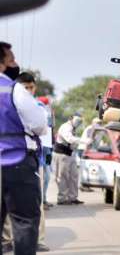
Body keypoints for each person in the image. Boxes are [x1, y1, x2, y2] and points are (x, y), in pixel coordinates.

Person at [0, 42, 48, 255]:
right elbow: (39, 124)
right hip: (16, 163)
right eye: (11, 60)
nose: (15, 64)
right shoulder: (14, 89)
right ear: (1, 64)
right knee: (24, 222)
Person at [15, 72, 51, 252]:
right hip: (13, 157)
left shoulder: (39, 107)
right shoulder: (12, 102)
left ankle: (38, 239)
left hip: (36, 158)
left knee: (36, 203)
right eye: (25, 88)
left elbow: (44, 134)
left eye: (31, 87)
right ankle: (8, 240)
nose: (29, 90)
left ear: (35, 87)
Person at [53, 114, 84, 205]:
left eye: (80, 121)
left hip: (70, 154)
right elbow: (69, 139)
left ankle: (72, 197)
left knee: (74, 175)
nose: (78, 123)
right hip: (62, 154)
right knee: (63, 177)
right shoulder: (66, 127)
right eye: (77, 120)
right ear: (70, 119)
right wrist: (82, 140)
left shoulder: (73, 128)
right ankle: (62, 198)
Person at [77, 118, 100, 192]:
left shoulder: (93, 129)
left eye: (99, 123)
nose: (99, 124)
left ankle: (84, 185)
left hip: (85, 149)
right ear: (93, 123)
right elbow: (90, 140)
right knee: (84, 168)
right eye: (97, 123)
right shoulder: (91, 129)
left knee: (86, 168)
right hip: (83, 149)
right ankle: (82, 185)